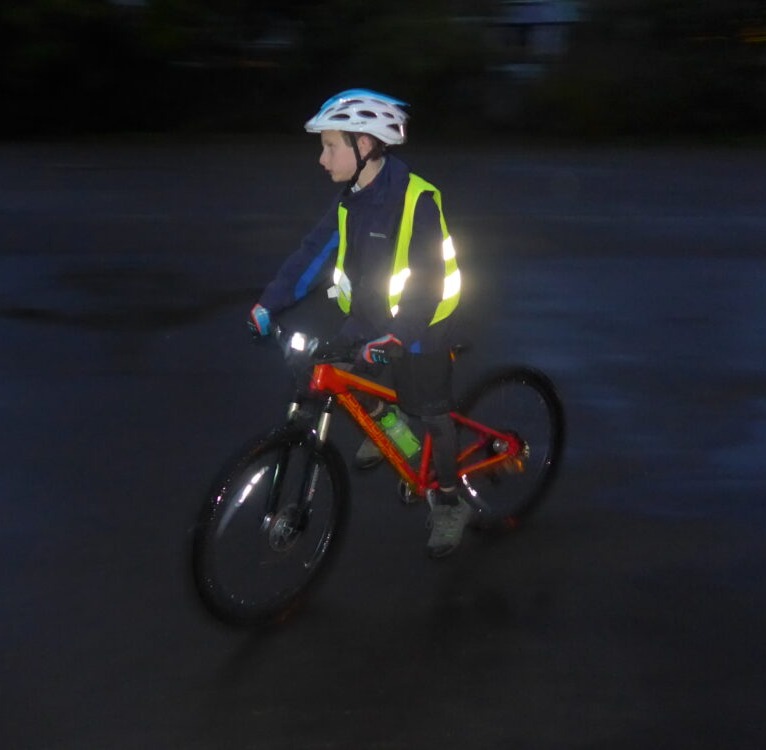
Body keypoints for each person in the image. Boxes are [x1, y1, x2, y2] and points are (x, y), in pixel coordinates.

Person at [249, 89, 470, 558]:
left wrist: (399, 335)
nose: (322, 158)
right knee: (336, 375)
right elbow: (313, 253)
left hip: (421, 327)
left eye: (331, 145)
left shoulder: (418, 200)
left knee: (432, 414)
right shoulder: (350, 198)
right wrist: (270, 303)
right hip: (369, 318)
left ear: (365, 145)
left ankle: (450, 500)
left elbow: (428, 281)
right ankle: (388, 428)